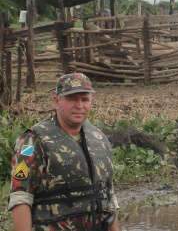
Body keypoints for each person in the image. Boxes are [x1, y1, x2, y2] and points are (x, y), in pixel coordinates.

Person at [8, 73, 120, 231]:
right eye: (72, 99)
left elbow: (108, 197)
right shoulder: (32, 141)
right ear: (56, 100)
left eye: (84, 99)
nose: (79, 105)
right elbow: (20, 198)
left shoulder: (99, 139)